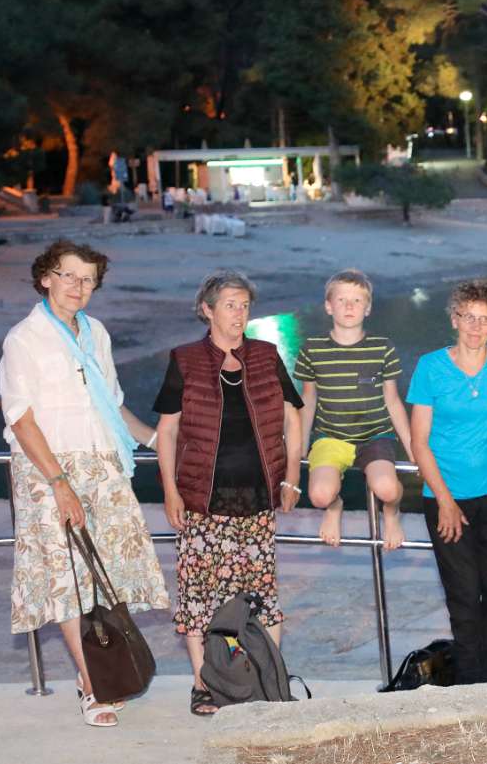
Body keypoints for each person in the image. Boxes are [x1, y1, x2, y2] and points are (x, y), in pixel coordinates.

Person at [0, 239, 168, 727]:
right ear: (46, 277)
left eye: (87, 279)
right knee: (67, 578)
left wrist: (159, 440)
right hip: (49, 471)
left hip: (102, 463)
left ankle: (94, 672)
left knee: (102, 575)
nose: (77, 286)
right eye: (68, 275)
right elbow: (22, 419)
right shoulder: (24, 339)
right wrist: (58, 482)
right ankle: (93, 687)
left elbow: (110, 404)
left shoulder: (97, 334)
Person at [153, 269, 304, 716]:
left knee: (261, 594)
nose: (239, 314)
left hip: (258, 497)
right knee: (201, 597)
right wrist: (170, 491)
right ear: (207, 309)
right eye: (230, 305)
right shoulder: (184, 359)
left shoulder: (266, 354)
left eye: (244, 305)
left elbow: (292, 417)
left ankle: (267, 679)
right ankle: (205, 684)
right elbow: (167, 431)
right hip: (202, 499)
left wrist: (291, 476)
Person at [406, 280, 487, 684]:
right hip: (445, 499)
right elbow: (419, 442)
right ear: (454, 318)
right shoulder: (430, 367)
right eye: (468, 317)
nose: (476, 327)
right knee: (463, 596)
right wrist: (444, 499)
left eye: (485, 320)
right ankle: (469, 686)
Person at [295, 269, 411, 550]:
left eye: (357, 301)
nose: (349, 307)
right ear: (328, 305)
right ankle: (335, 508)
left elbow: (393, 401)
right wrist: (299, 445)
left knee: (387, 488)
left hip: (375, 435)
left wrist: (411, 446)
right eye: (342, 300)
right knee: (321, 495)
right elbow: (308, 401)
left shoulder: (382, 348)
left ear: (368, 308)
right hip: (330, 436)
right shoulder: (312, 349)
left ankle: (391, 513)